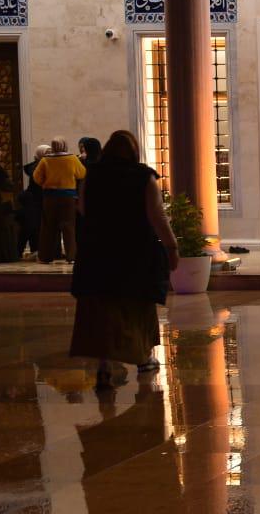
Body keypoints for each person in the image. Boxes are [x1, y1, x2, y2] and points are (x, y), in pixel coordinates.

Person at [69, 130, 179, 390]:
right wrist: (172, 247)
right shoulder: (143, 177)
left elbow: (83, 209)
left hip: (98, 253)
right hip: (134, 253)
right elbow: (157, 216)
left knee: (102, 311)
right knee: (138, 308)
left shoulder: (92, 175)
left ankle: (104, 366)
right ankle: (143, 358)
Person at [34, 137, 85, 264]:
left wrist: (45, 183)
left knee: (48, 227)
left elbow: (36, 177)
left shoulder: (46, 160)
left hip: (49, 197)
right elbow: (82, 174)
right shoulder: (72, 159)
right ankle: (72, 256)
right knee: (68, 227)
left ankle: (45, 257)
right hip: (68, 197)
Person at [16, 143, 50, 258]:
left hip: (38, 200)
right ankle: (24, 250)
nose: (50, 155)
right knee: (30, 226)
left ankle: (32, 249)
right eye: (47, 153)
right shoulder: (36, 167)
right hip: (33, 201)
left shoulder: (44, 165)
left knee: (34, 226)